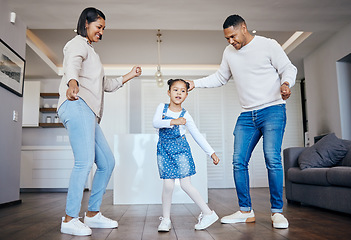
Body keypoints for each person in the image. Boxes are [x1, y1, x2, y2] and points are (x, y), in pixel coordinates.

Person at [187, 14, 297, 229]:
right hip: (247, 114)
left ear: (244, 28)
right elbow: (220, 77)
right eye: (227, 38)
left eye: (233, 36)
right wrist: (195, 83)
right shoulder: (229, 52)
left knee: (272, 158)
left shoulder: (268, 45)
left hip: (273, 109)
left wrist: (286, 83)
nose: (231, 42)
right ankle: (246, 211)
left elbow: (289, 68)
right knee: (239, 161)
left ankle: (277, 212)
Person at [57, 7, 141, 236]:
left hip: (88, 112)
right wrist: (72, 82)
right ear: (86, 23)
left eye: (103, 28)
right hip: (77, 104)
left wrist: (129, 75)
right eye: (99, 27)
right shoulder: (77, 43)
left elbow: (106, 85)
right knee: (84, 162)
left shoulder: (92, 53)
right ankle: (69, 218)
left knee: (107, 162)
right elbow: (71, 63)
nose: (101, 32)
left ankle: (92, 214)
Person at [153, 79, 220, 231]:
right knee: (168, 185)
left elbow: (196, 135)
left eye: (183, 91)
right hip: (164, 152)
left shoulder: (186, 115)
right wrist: (174, 121)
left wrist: (211, 152)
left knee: (185, 184)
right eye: (175, 90)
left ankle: (208, 213)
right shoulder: (162, 108)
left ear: (186, 95)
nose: (179, 93)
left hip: (181, 151)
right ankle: (166, 220)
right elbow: (156, 123)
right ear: (169, 92)